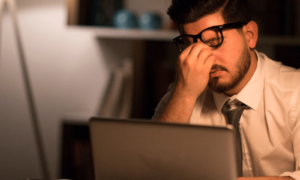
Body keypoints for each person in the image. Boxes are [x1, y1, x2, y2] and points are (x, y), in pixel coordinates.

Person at [152, 0, 300, 180]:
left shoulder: (295, 92)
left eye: (214, 41)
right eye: (191, 46)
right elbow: (152, 169)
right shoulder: (183, 91)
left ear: (250, 35)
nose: (205, 58)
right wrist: (184, 94)